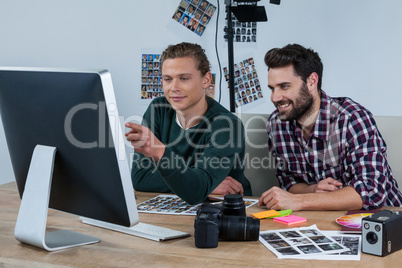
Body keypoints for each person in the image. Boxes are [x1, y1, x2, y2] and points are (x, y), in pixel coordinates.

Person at [259, 43, 402, 211]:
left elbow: (372, 192)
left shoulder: (352, 119)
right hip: (321, 224)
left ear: (312, 81)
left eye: (284, 86)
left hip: (382, 223)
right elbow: (289, 182)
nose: (274, 97)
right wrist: (312, 190)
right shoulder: (277, 125)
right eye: (272, 88)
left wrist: (299, 201)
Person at [126, 42, 251, 205]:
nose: (174, 87)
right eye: (167, 79)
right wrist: (200, 182)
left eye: (184, 78)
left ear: (206, 80)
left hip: (228, 211)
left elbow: (195, 191)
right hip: (175, 208)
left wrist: (160, 152)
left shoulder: (228, 125)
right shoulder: (158, 109)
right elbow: (140, 179)